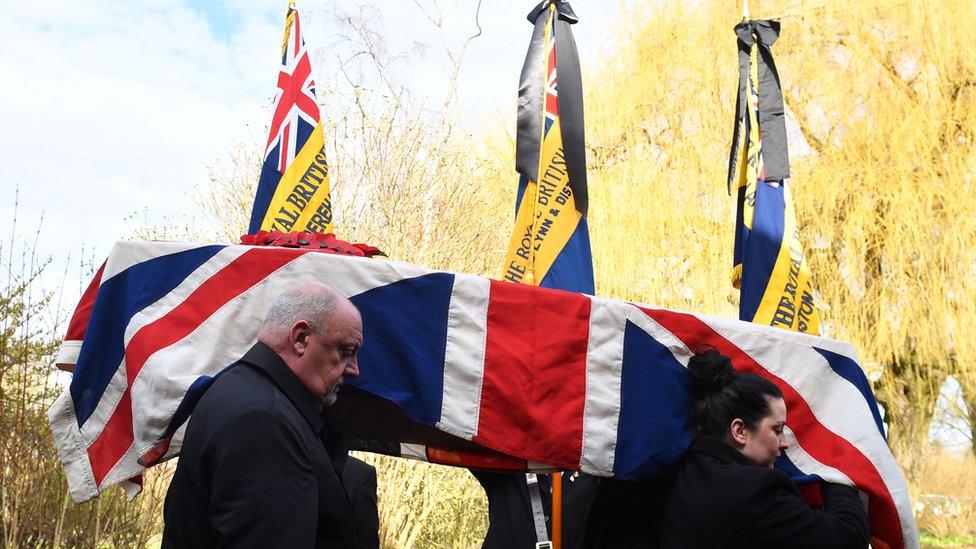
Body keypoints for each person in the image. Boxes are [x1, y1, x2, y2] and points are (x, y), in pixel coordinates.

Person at [163, 281, 365, 548]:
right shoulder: (265, 420)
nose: (354, 370)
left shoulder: (241, 392)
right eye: (345, 351)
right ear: (301, 338)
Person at [658, 349, 869, 548]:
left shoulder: (679, 472)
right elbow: (847, 538)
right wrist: (838, 474)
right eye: (777, 429)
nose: (785, 443)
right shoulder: (757, 491)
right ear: (740, 431)